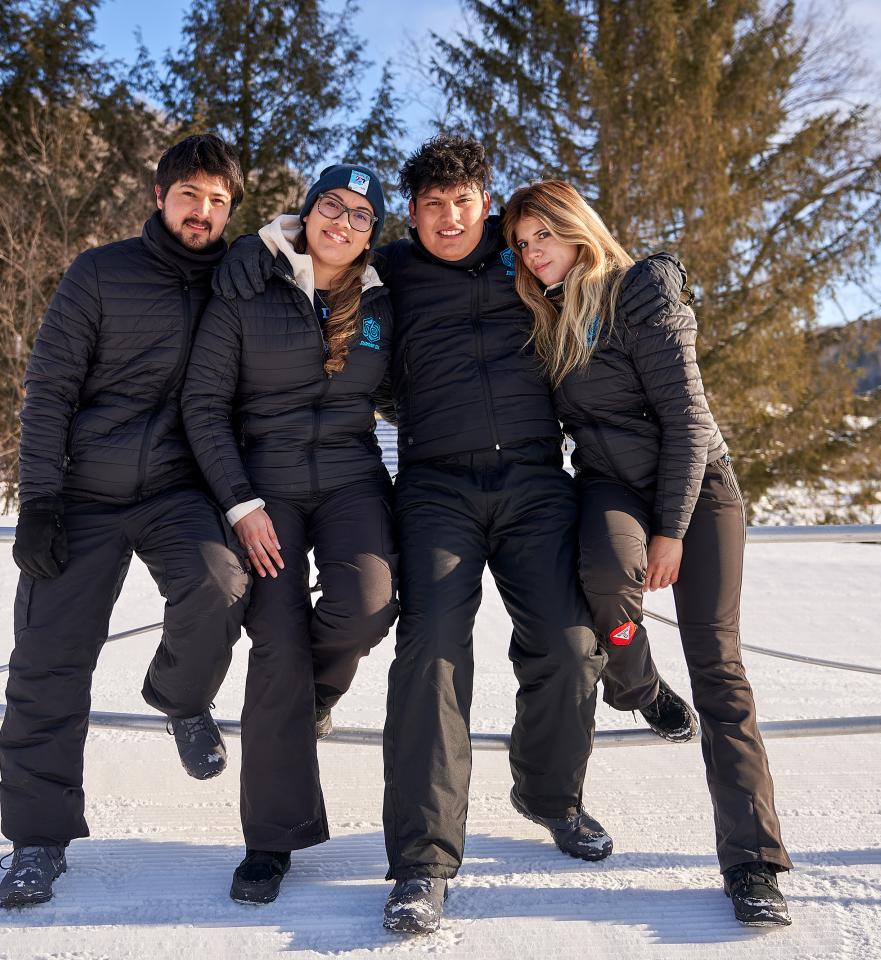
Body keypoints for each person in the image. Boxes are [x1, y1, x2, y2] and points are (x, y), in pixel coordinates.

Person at [218, 135, 605, 935]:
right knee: (429, 656)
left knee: (569, 646)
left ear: (487, 202)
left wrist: (659, 276)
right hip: (435, 486)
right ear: (415, 214)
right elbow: (309, 258)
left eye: (464, 202)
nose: (449, 217)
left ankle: (550, 795)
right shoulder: (390, 269)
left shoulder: (521, 254)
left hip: (536, 481)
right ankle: (422, 867)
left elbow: (597, 265)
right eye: (432, 205)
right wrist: (243, 260)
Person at [503, 180, 794, 927]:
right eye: (523, 244)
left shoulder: (641, 290)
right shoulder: (546, 314)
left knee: (720, 672)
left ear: (577, 228)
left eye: (544, 235)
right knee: (604, 576)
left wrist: (672, 530)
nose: (534, 254)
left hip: (698, 489)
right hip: (610, 487)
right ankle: (637, 689)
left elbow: (691, 424)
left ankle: (753, 863)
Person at [0, 134, 252, 909]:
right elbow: (49, 389)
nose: (202, 212)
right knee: (48, 663)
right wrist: (39, 498)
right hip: (82, 494)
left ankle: (179, 697)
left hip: (178, 491)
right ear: (160, 196)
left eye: (218, 200)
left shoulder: (241, 283)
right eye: (189, 196)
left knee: (220, 584)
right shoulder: (100, 272)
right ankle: (38, 841)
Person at [183, 163, 399, 905]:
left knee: (369, 603)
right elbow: (204, 403)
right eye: (330, 207)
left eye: (361, 215)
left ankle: (310, 700)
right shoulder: (249, 282)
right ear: (306, 213)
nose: (343, 223)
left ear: (375, 231)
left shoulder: (381, 300)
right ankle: (270, 841)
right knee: (277, 639)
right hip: (265, 484)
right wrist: (241, 503)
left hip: (350, 478)